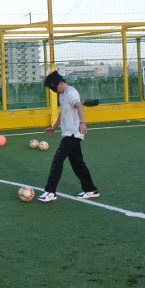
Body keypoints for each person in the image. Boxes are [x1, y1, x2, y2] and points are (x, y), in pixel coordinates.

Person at [37, 70, 99, 203]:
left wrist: (82, 123)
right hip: (70, 133)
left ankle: (50, 191)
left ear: (59, 83)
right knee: (78, 163)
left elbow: (80, 107)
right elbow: (63, 112)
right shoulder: (63, 94)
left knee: (57, 161)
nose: (54, 91)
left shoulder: (71, 93)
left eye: (53, 88)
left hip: (72, 134)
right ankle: (91, 190)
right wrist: (54, 127)